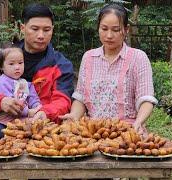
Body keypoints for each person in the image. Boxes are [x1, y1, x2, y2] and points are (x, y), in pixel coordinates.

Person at [59, 3, 158, 138]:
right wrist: (74, 116)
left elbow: (146, 98)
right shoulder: (89, 57)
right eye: (104, 29)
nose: (109, 35)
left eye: (116, 30)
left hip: (128, 133)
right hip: (92, 132)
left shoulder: (138, 58)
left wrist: (139, 122)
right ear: (98, 28)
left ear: (126, 29)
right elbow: (80, 97)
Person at [0, 3, 74, 138]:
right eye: (34, 29)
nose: (41, 35)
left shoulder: (61, 65)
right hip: (7, 122)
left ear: (53, 30)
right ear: (23, 28)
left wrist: (45, 112)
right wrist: (1, 102)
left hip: (45, 123)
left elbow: (62, 101)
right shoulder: (5, 57)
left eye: (46, 30)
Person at [0, 43, 44, 125]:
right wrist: (28, 112)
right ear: (0, 66)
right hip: (7, 120)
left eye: (20, 63)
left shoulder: (24, 82)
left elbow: (33, 97)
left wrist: (37, 107)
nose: (17, 67)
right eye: (11, 64)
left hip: (23, 117)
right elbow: (12, 105)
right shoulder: (2, 82)